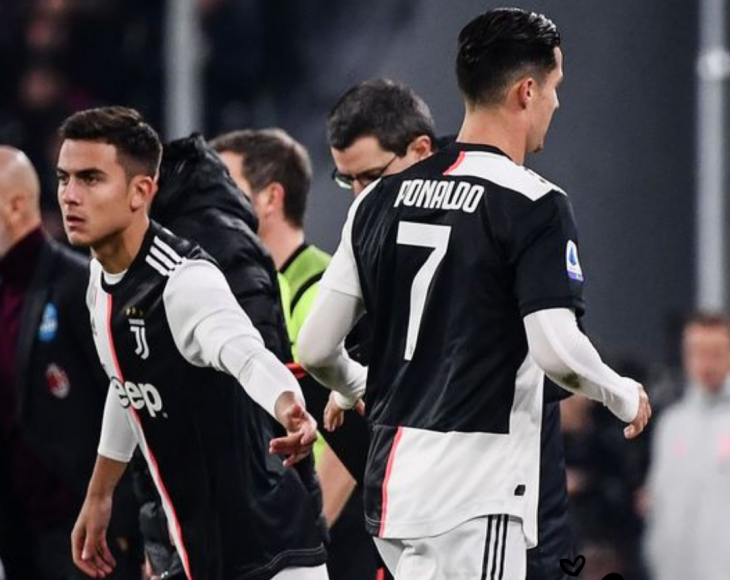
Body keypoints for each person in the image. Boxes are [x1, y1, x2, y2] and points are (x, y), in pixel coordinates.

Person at [298, 8, 651, 580]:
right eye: (555, 87)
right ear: (526, 91)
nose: (557, 104)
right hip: (471, 499)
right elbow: (556, 350)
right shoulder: (533, 203)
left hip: (392, 495)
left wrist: (355, 386)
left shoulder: (376, 201)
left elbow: (316, 348)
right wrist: (622, 394)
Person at [55, 106, 328, 580]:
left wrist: (289, 404)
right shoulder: (101, 278)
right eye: (64, 178)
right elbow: (128, 384)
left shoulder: (183, 281)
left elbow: (246, 353)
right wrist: (99, 495)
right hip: (201, 554)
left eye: (91, 179)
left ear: (141, 191)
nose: (70, 196)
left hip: (268, 556)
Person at [327, 77, 579, 580]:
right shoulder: (380, 229)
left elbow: (553, 363)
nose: (359, 194)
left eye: (370, 176)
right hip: (412, 508)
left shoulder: (500, 209)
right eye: (346, 180)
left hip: (497, 502)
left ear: (421, 150)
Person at [212, 128, 379, 580]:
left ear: (271, 198)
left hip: (333, 545)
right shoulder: (247, 290)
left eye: (226, 185)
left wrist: (302, 543)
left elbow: (352, 439)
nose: (213, 203)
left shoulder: (324, 292)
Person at [0, 146, 139, 580]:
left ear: (15, 206)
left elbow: (129, 400)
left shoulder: (80, 285)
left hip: (86, 537)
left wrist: (128, 524)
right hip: (19, 536)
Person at [644, 313, 730, 580]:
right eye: (698, 352)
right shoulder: (671, 425)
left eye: (716, 353)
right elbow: (656, 499)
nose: (707, 363)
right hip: (673, 571)